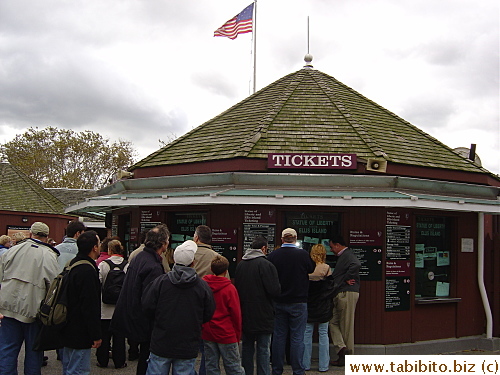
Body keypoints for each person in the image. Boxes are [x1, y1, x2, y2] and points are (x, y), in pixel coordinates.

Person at [142, 240, 215, 375]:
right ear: (193, 262)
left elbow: (147, 306)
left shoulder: (161, 282)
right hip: (188, 343)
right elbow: (208, 312)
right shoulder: (201, 286)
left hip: (161, 340)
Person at [0, 222, 59, 375]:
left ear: (31, 233)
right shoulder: (49, 255)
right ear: (46, 237)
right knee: (34, 353)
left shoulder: (12, 250)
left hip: (8, 307)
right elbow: (53, 287)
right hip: (34, 310)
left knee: (7, 351)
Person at [111, 224, 169, 375]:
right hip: (143, 320)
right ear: (163, 243)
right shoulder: (153, 266)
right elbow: (150, 299)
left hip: (131, 313)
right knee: (146, 359)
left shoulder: (140, 257)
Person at [267, 228, 315, 375]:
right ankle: (298, 370)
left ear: (282, 239)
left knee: (279, 337)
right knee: (297, 338)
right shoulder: (303, 255)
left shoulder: (273, 255)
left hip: (279, 301)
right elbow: (311, 269)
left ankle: (277, 370)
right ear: (295, 238)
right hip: (298, 301)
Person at [235, 236, 281, 375]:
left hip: (246, 312)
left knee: (247, 347)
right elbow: (274, 290)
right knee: (263, 349)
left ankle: (247, 372)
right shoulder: (266, 265)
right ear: (263, 248)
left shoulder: (241, 265)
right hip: (264, 312)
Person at [61, 230, 102, 375]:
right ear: (94, 248)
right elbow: (89, 305)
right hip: (81, 330)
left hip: (67, 324)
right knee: (78, 369)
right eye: (99, 243)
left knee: (68, 366)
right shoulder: (88, 270)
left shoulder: (72, 264)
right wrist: (96, 334)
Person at [193, 224, 226, 375]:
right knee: (208, 350)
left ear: (197, 238)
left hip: (188, 306)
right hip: (209, 308)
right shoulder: (217, 258)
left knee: (187, 348)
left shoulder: (188, 255)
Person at [202, 255, 244, 375]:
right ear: (226, 271)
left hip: (208, 331)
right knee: (233, 366)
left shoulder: (205, 285)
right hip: (226, 332)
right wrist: (237, 335)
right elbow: (236, 314)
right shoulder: (230, 289)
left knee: (211, 365)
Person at [328, 235, 361, 366]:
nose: (331, 250)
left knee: (346, 326)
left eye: (331, 247)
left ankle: (347, 356)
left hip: (346, 292)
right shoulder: (345, 255)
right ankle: (342, 349)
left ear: (337, 245)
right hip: (343, 292)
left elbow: (356, 264)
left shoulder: (347, 255)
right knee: (333, 322)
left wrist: (347, 278)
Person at [96, 239, 128, 369]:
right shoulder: (126, 265)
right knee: (119, 338)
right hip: (120, 308)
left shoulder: (103, 264)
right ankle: (119, 361)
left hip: (105, 308)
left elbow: (98, 283)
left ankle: (102, 360)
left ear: (109, 250)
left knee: (104, 336)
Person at [303, 244, 334, 372]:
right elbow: (330, 287)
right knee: (323, 334)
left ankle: (305, 364)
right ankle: (323, 365)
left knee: (306, 334)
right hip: (323, 305)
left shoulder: (307, 268)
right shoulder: (326, 268)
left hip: (309, 303)